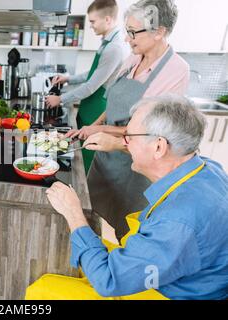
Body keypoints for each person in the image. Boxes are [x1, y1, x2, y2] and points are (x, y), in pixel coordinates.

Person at [26, 95, 228, 300]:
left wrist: (74, 215)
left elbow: (108, 281)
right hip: (180, 272)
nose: (125, 142)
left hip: (169, 294)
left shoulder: (177, 221)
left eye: (128, 137)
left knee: (42, 289)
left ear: (158, 147)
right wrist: (117, 145)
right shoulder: (206, 167)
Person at [65, 0, 190, 240]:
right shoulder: (134, 58)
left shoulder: (175, 70)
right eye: (127, 31)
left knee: (128, 231)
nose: (127, 39)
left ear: (159, 32)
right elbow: (112, 101)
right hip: (106, 156)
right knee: (91, 215)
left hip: (134, 162)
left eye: (133, 32)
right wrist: (93, 126)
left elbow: (147, 131)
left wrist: (100, 130)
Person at [46, 0, 130, 173]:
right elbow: (92, 74)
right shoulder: (107, 42)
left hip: (97, 107)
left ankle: (84, 195)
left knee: (88, 155)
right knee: (82, 152)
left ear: (107, 19)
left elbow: (92, 85)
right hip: (90, 104)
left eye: (92, 21)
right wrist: (68, 78)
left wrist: (60, 99)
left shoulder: (114, 48)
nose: (91, 26)